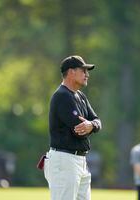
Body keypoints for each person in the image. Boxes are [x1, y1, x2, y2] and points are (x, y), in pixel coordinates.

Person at [44, 55, 102, 200]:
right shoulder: (62, 96)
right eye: (83, 71)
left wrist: (91, 125)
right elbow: (79, 131)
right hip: (65, 160)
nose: (87, 75)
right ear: (71, 72)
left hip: (80, 160)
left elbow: (97, 121)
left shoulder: (80, 96)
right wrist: (89, 126)